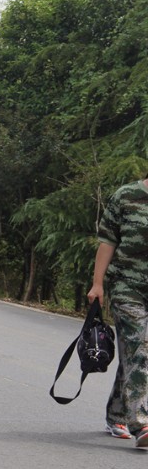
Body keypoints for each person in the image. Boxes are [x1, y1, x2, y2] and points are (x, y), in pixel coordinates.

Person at [87, 178, 148, 446]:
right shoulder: (126, 196)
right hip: (127, 286)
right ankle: (141, 422)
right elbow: (108, 241)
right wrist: (98, 283)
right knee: (139, 347)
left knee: (132, 353)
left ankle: (116, 415)